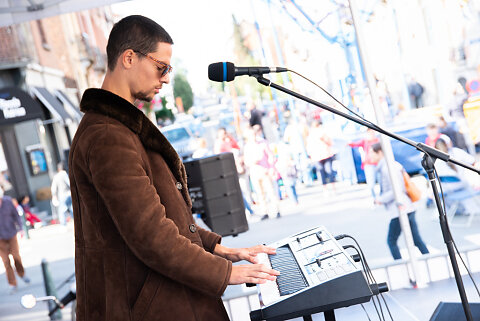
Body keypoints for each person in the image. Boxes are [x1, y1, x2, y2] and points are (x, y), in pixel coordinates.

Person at [68, 15, 278, 321]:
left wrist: (220, 250)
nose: (166, 78)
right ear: (129, 58)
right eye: (161, 67)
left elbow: (163, 217)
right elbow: (151, 236)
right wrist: (227, 272)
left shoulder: (121, 128)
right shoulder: (107, 136)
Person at [370, 143, 430, 260]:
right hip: (406, 207)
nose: (370, 156)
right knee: (416, 240)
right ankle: (429, 259)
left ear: (380, 152)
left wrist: (380, 200)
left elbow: (396, 190)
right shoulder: (389, 165)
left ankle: (400, 264)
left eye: (372, 153)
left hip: (400, 208)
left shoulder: (387, 168)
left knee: (391, 241)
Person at [0, 188, 30, 294]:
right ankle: (12, 284)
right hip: (0, 239)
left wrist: (21, 228)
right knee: (6, 262)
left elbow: (16, 215)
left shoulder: (8, 201)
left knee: (16, 256)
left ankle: (22, 274)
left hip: (11, 234)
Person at [349, 128, 380, 199]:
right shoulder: (365, 141)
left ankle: (381, 198)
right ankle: (374, 199)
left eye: (372, 132)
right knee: (371, 183)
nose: (371, 133)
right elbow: (355, 144)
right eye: (370, 132)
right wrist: (348, 143)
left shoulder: (377, 141)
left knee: (381, 181)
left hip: (377, 164)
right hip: (369, 164)